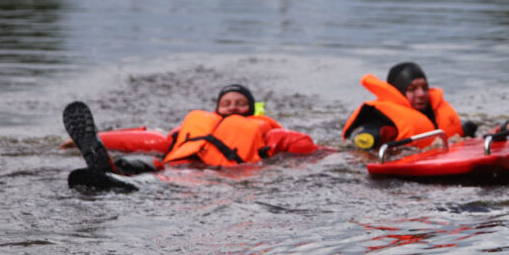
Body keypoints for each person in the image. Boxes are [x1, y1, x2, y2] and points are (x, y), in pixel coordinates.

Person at [63, 83, 318, 191]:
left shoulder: (265, 130)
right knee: (147, 163)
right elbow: (152, 141)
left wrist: (332, 153)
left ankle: (124, 182)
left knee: (164, 179)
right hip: (175, 162)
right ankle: (108, 166)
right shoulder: (195, 124)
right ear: (217, 107)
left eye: (240, 103)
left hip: (212, 172)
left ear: (251, 109)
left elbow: (299, 143)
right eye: (226, 102)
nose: (232, 107)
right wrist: (99, 138)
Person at [342, 62, 509, 151]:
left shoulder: (434, 112)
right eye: (412, 89)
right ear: (398, 92)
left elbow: (468, 137)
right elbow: (358, 153)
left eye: (424, 87)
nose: (422, 94)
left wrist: (504, 129)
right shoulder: (380, 123)